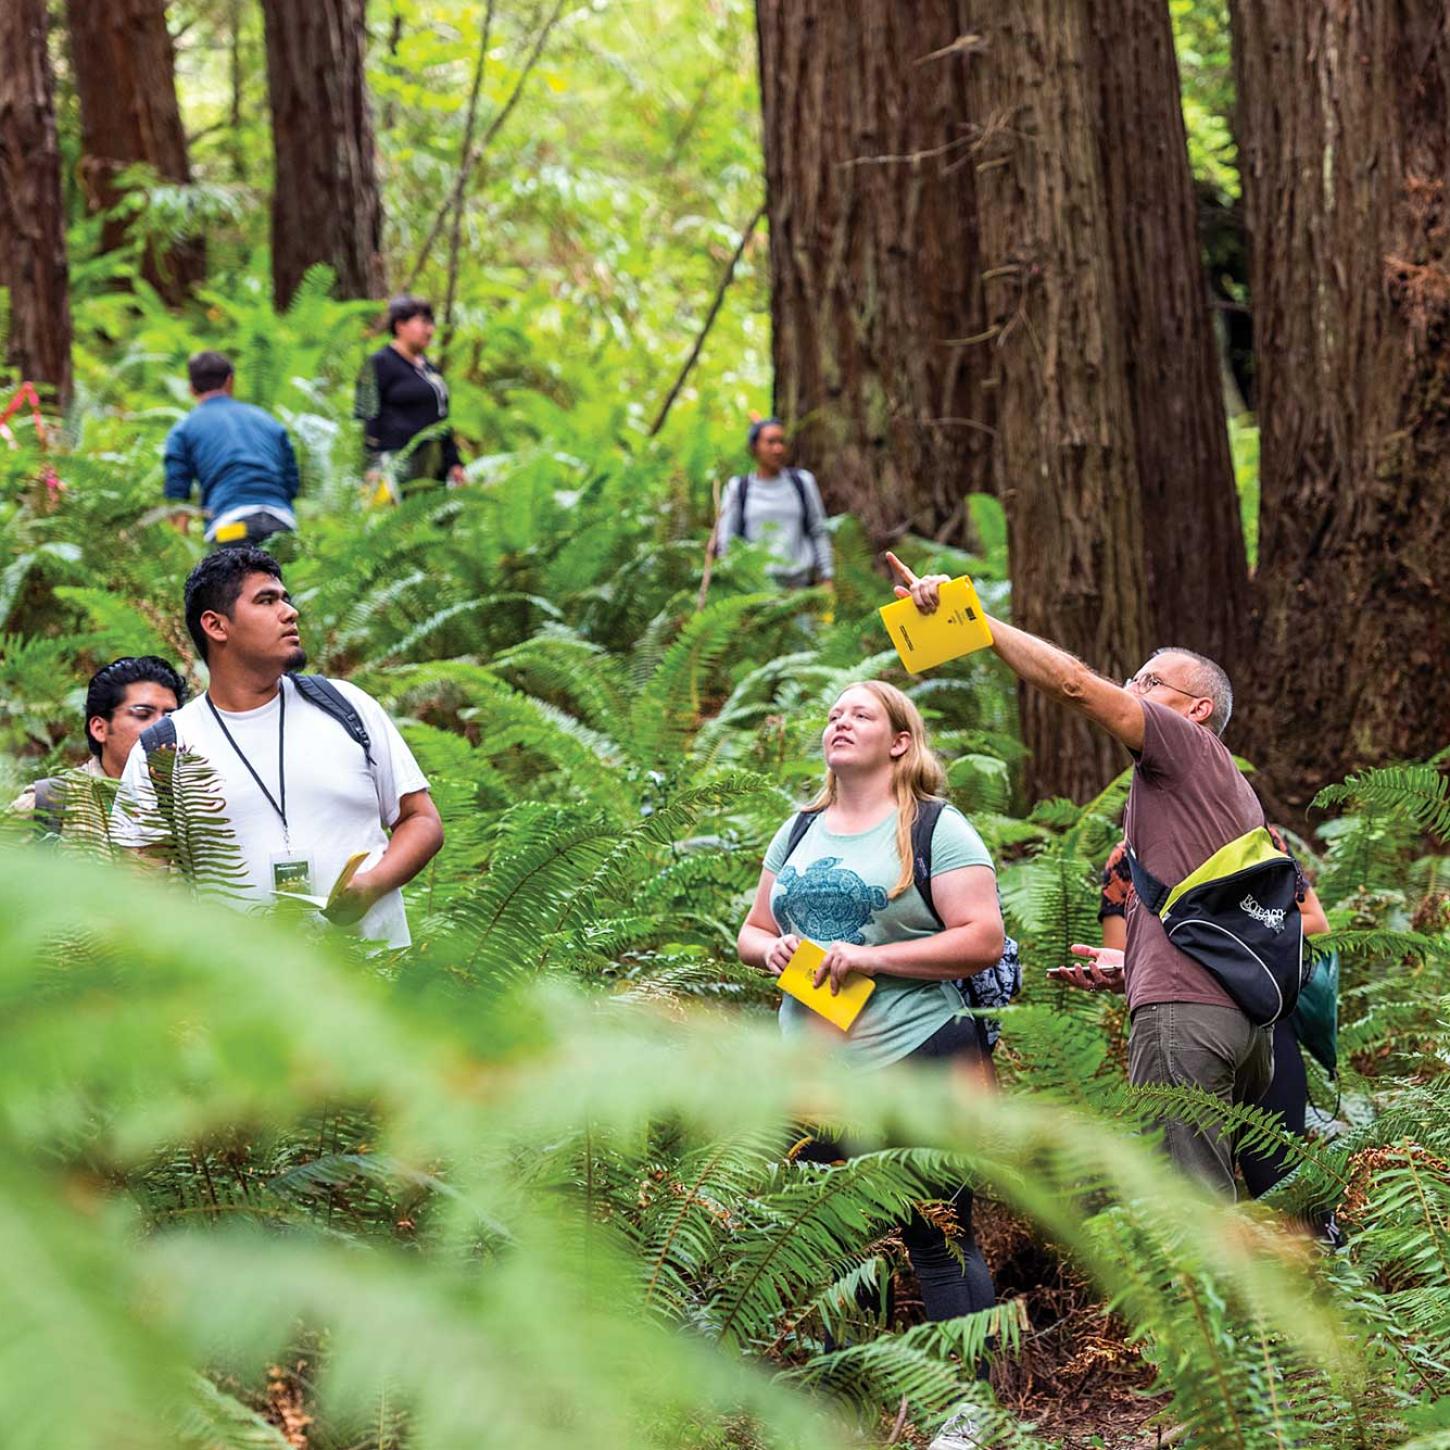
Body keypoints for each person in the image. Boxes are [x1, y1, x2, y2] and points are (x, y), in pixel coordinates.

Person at [885, 552, 1288, 1198]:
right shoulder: (1226, 791)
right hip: (1237, 1021)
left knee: (1193, 1220)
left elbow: (1073, 683)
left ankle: (1208, 1306)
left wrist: (973, 622)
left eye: (1150, 683)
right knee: (1199, 1196)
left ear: (1198, 710)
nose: (1131, 689)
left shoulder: (1183, 748)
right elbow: (1207, 908)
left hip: (1186, 1019)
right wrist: (1134, 965)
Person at [736, 680, 1005, 1340]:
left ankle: (969, 1419)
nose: (841, 722)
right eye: (833, 714)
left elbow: (983, 937)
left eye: (862, 714)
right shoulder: (799, 827)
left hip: (919, 1052)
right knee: (824, 1247)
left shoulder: (935, 826)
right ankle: (849, 1409)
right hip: (815, 1069)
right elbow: (751, 929)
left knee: (936, 1236)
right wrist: (772, 952)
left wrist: (870, 961)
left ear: (900, 742)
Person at [111, 548, 443, 947]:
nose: (290, 612)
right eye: (267, 600)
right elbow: (140, 886)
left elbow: (421, 820)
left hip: (375, 983)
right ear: (216, 626)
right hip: (246, 995)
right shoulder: (164, 748)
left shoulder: (346, 706)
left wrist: (373, 884)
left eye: (286, 599)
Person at [1099, 830, 1330, 1197]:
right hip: (1180, 1021)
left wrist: (1221, 936)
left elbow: (1314, 920)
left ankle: (1316, 1251)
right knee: (1194, 1183)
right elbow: (1119, 954)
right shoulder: (1129, 857)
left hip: (1264, 1018)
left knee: (1280, 1179)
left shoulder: (1258, 836)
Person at [10, 656, 186, 835]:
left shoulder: (198, 804)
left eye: (170, 717)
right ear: (99, 728)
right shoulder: (49, 804)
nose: (161, 726)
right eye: (142, 714)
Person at [164, 352, 301, 548]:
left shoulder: (184, 430)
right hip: (279, 524)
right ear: (230, 380)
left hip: (230, 528)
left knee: (231, 574)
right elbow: (292, 484)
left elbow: (177, 497)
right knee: (282, 577)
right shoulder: (267, 420)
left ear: (191, 388)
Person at [354, 295, 466, 496]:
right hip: (397, 465)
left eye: (431, 323)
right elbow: (366, 415)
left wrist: (454, 462)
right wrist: (373, 465)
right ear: (400, 326)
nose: (430, 330)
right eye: (423, 323)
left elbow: (442, 419)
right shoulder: (379, 363)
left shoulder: (430, 369)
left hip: (433, 466)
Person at [713, 419, 833, 591]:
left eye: (781, 442)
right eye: (770, 442)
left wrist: (827, 575)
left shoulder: (802, 482)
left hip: (800, 589)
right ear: (755, 447)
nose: (778, 449)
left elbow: (818, 531)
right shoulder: (738, 488)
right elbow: (727, 541)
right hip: (755, 592)